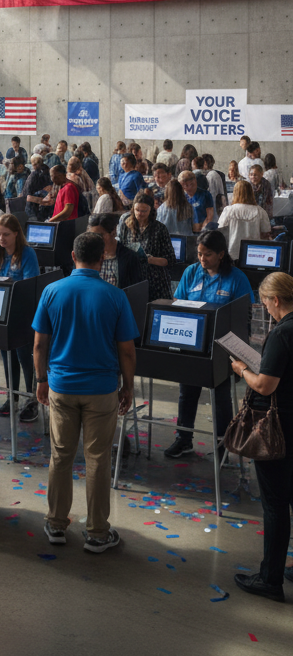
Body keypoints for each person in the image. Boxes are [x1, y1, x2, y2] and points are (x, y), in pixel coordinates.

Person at [33, 231, 139, 553]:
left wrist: (41, 380)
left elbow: (39, 344)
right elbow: (127, 351)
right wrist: (128, 386)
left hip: (62, 387)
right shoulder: (115, 296)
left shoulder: (51, 291)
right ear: (102, 258)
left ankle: (55, 524)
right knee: (97, 459)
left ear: (72, 256)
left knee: (61, 456)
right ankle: (96, 533)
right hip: (101, 390)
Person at [163, 230, 255, 460]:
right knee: (187, 392)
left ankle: (224, 444)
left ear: (221, 254)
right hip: (192, 343)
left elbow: (245, 314)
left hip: (222, 347)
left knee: (221, 396)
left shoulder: (236, 278)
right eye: (199, 254)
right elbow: (178, 302)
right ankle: (184, 439)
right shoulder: (191, 272)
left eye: (208, 254)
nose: (202, 259)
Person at [230, 271, 293, 602]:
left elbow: (266, 385)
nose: (266, 308)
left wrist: (242, 370)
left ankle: (270, 579)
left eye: (266, 302)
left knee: (275, 503)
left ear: (277, 300)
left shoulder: (282, 333)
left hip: (280, 427)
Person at [0, 214, 40, 422]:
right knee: (7, 355)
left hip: (21, 312)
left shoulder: (27, 253)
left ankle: (32, 398)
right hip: (0, 311)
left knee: (25, 355)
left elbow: (31, 282)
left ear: (16, 233)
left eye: (6, 234)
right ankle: (12, 395)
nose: (1, 238)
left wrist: (11, 281)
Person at [116, 191, 176, 301]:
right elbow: (120, 249)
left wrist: (151, 260)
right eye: (137, 210)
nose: (140, 213)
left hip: (154, 280)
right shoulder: (126, 225)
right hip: (132, 277)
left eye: (144, 211)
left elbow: (170, 259)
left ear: (151, 210)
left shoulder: (159, 229)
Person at [217, 179, 271, 259]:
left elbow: (220, 231)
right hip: (254, 253)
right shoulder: (260, 211)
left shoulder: (228, 210)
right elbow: (265, 233)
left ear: (235, 193)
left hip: (232, 253)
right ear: (251, 193)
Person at [87, 214, 143, 289]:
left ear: (113, 232)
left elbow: (136, 290)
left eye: (99, 235)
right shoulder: (86, 255)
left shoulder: (129, 257)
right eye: (91, 235)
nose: (95, 239)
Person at [24, 154, 52, 220]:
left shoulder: (34, 175)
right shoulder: (48, 171)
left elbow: (27, 195)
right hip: (39, 206)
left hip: (36, 207)